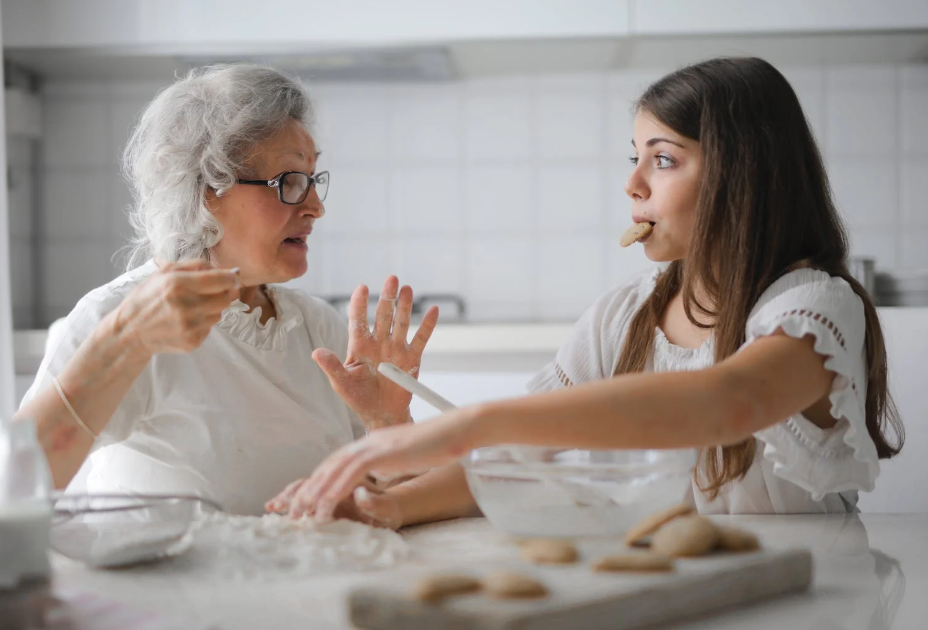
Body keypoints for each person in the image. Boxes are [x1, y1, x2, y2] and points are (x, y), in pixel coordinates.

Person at [269, 56, 904, 525]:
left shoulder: (814, 308)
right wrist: (390, 505)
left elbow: (730, 401)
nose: (632, 184)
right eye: (634, 156)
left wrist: (475, 421)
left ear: (744, 176)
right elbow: (522, 458)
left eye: (663, 158)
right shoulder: (623, 315)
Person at [14, 64, 438, 515]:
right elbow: (16, 485)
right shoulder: (119, 315)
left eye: (313, 180)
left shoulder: (317, 327)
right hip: (172, 586)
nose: (316, 206)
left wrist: (388, 423)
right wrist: (124, 341)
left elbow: (382, 503)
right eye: (289, 182)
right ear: (204, 191)